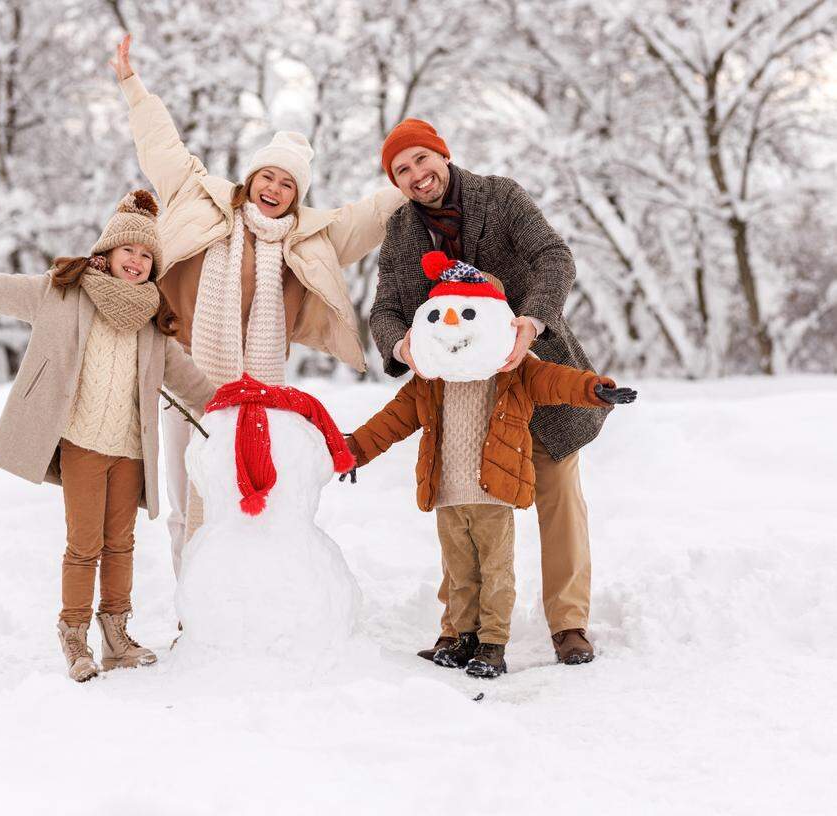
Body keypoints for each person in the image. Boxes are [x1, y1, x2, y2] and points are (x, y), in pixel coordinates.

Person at [0, 191, 214, 683]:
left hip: (128, 449)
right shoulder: (63, 294)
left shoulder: (151, 321)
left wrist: (237, 406)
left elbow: (187, 379)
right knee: (84, 545)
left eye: (147, 257)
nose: (138, 262)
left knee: (120, 545)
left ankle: (117, 635)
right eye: (130, 251)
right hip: (82, 441)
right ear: (106, 253)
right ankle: (75, 636)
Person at [109, 35, 405, 576]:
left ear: (297, 195)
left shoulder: (309, 238)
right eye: (268, 175)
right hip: (186, 377)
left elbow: (367, 216)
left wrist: (412, 179)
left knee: (245, 501)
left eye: (288, 183)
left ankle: (239, 597)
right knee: (187, 497)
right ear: (252, 177)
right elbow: (162, 145)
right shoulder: (200, 198)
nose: (275, 187)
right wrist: (133, 86)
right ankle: (190, 610)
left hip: (258, 393)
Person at [370, 118, 609, 665]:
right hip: (460, 398)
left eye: (421, 160)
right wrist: (401, 346)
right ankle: (459, 628)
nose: (416, 175)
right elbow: (383, 309)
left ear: (443, 155)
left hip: (530, 372)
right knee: (461, 511)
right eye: (401, 170)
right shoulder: (401, 233)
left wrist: (532, 321)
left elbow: (555, 256)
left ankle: (569, 623)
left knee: (558, 497)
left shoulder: (499, 197)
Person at [345, 254, 636, 677]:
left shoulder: (515, 370)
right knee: (460, 572)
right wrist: (354, 449)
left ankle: (493, 643)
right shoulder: (430, 378)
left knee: (496, 572)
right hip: (447, 492)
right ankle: (463, 636)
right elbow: (392, 420)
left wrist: (595, 389)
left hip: (492, 492)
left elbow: (557, 380)